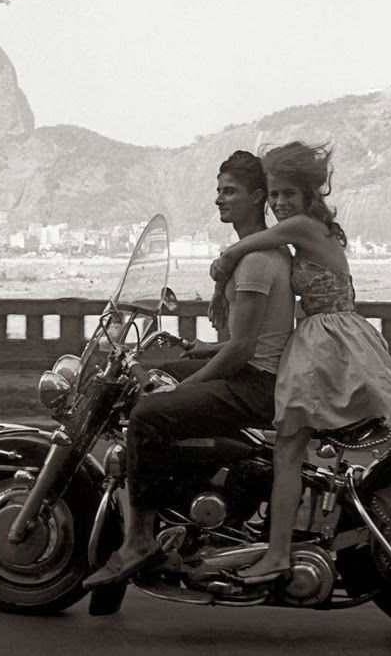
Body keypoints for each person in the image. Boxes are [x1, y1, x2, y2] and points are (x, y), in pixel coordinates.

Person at [83, 150, 294, 588]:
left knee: (147, 414)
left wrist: (189, 383)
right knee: (153, 378)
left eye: (230, 191)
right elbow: (249, 340)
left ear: (257, 196)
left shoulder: (255, 261)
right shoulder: (257, 252)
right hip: (253, 371)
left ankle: (138, 541)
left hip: (255, 383)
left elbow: (243, 351)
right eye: (218, 190)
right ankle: (175, 505)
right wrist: (202, 351)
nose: (220, 199)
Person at [209, 141, 391, 584]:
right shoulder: (317, 230)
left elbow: (248, 244)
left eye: (287, 195)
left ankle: (278, 553)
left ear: (308, 197)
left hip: (328, 339)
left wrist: (225, 262)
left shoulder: (300, 227)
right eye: (274, 195)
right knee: (293, 447)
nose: (279, 204)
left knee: (288, 449)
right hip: (329, 336)